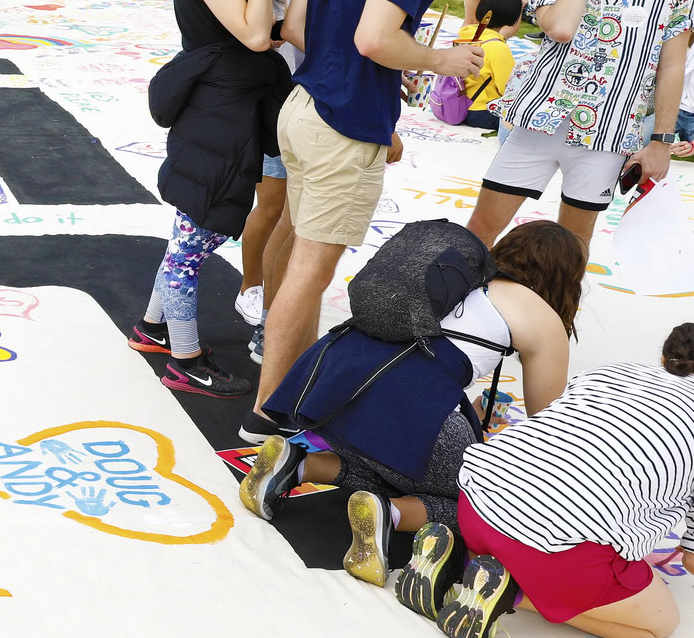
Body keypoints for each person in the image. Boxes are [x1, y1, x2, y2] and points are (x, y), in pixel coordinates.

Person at [248, 0, 496, 443]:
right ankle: (268, 416)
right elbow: (376, 39)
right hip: (343, 120)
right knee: (311, 267)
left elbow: (298, 25)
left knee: (302, 252)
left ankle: (288, 394)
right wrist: (442, 60)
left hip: (304, 104)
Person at [241, 221, 584, 587]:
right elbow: (549, 424)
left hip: (330, 390)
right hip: (400, 414)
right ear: (566, 278)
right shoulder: (542, 318)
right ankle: (391, 514)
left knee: (393, 457)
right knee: (483, 499)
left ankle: (300, 464)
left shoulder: (457, 276)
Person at [397, 324, 694, 638]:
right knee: (660, 623)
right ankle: (510, 591)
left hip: (478, 501)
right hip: (555, 549)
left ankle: (459, 558)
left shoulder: (612, 371)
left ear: (665, 358)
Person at [130, 0, 304, 398]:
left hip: (227, 108)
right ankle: (184, 358)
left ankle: (154, 329)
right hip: (217, 113)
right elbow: (253, 36)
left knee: (191, 225)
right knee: (195, 236)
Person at [466, 0, 689, 254]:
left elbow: (672, 67)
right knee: (481, 229)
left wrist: (660, 143)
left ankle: (556, 314)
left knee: (573, 247)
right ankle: (448, 307)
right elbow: (561, 28)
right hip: (536, 123)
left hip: (608, 136)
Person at [449, 0, 528, 131]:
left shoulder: (466, 35)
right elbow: (509, 88)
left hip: (457, 103)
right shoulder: (498, 48)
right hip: (481, 111)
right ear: (513, 18)